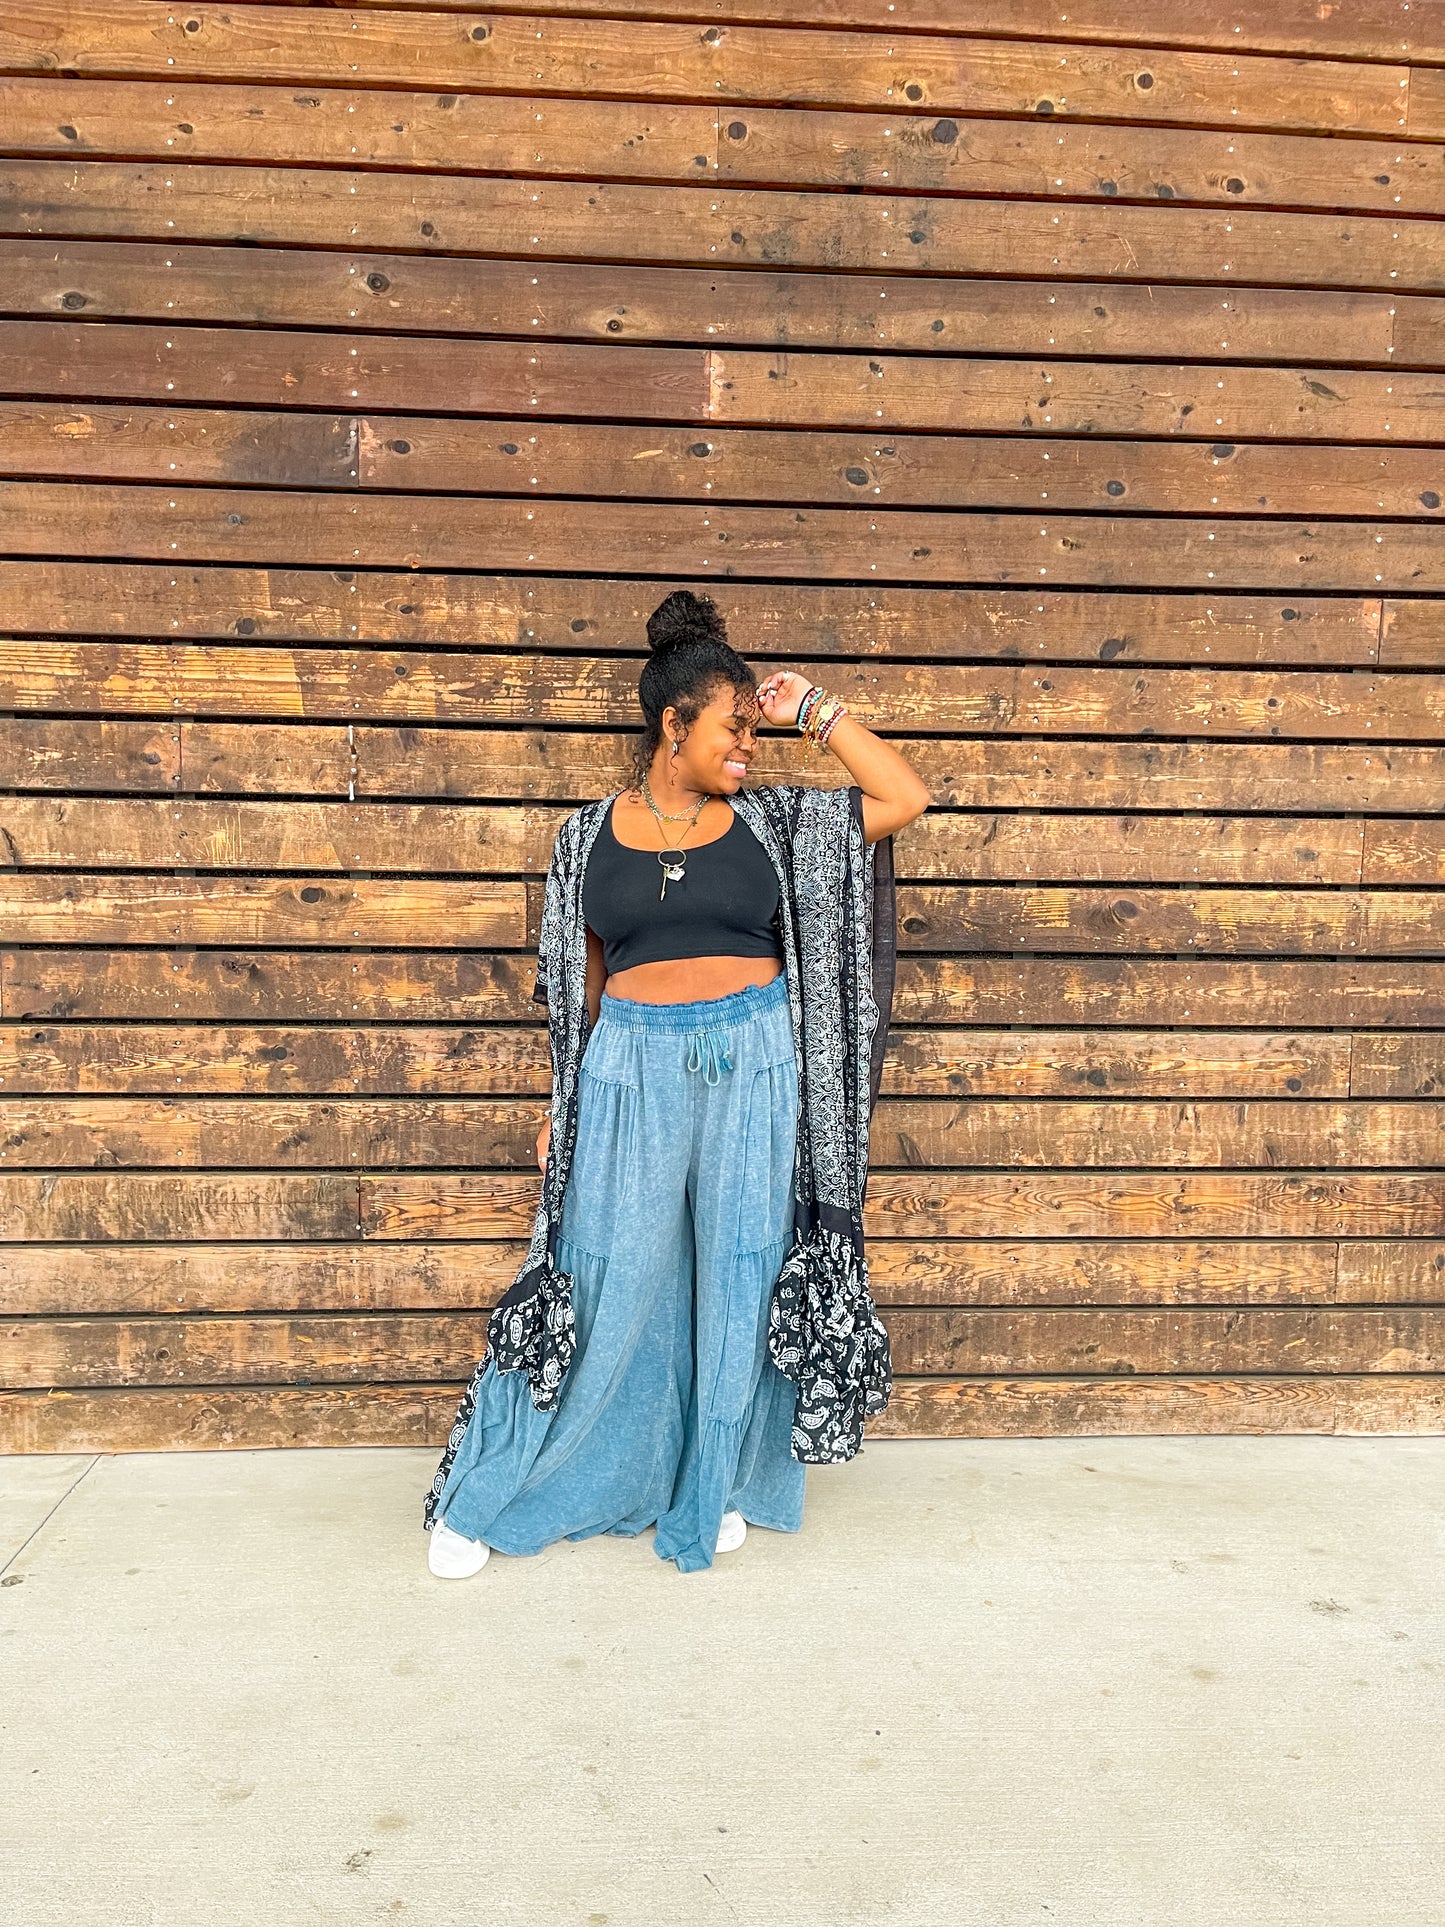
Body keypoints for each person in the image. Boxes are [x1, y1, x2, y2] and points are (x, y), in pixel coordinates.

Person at [423, 589, 930, 1575]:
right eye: (732, 727)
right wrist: (560, 1102)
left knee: (740, 1270)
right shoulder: (583, 839)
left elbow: (902, 795)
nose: (748, 746)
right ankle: (502, 1488)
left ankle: (716, 1481)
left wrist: (810, 709)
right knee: (605, 1271)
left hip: (753, 1063)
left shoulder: (774, 823)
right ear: (672, 723)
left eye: (753, 729)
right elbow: (580, 990)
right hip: (630, 1067)